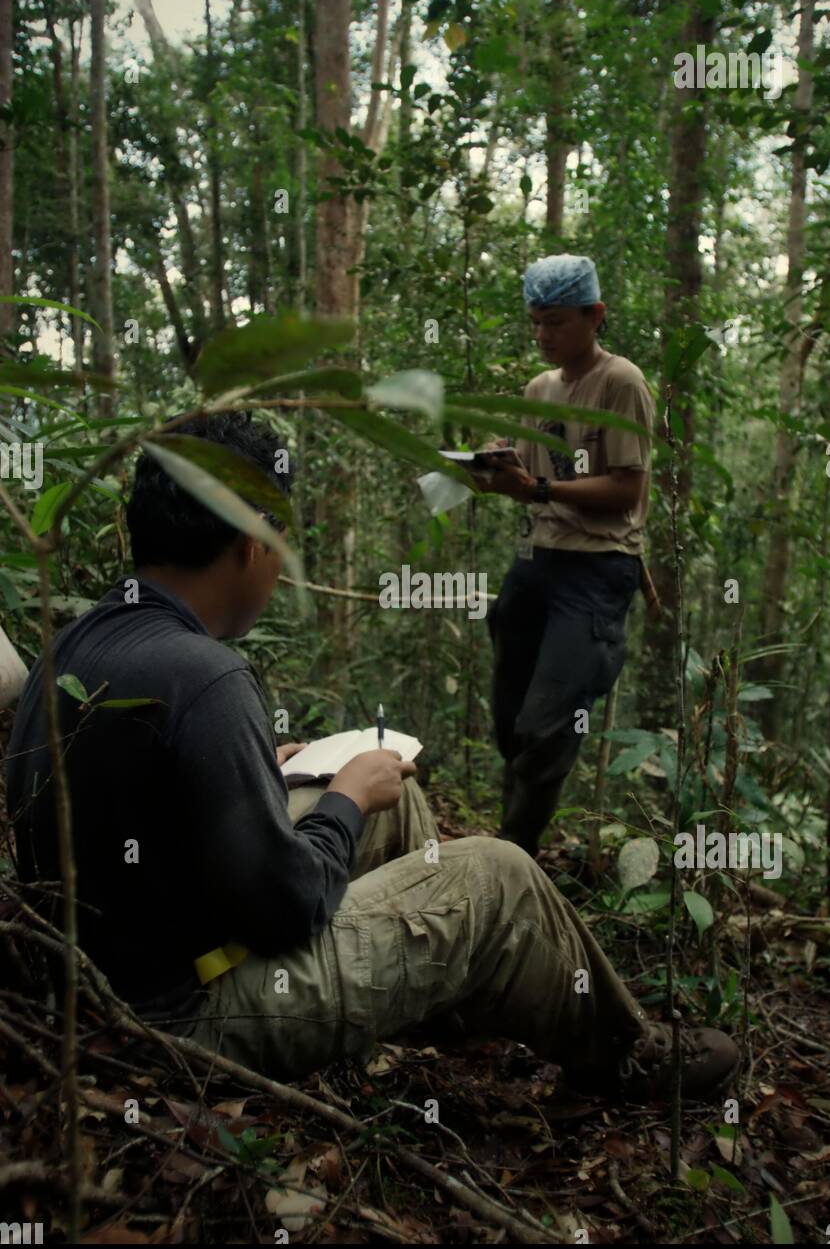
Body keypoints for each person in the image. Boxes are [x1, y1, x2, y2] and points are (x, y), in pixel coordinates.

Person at [4, 411, 737, 1102]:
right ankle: (626, 1054)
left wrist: (263, 762)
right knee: (501, 875)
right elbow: (287, 909)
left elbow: (143, 795)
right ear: (253, 542)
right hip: (188, 1020)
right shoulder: (206, 674)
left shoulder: (74, 642)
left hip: (105, 986)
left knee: (400, 802)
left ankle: (446, 998)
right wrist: (345, 797)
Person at [479, 253, 656, 858]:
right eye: (535, 323)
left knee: (548, 725)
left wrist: (540, 489)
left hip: (597, 568)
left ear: (595, 316)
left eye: (555, 322)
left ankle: (515, 854)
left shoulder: (621, 383)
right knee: (510, 719)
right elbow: (531, 474)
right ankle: (510, 839)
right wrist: (498, 467)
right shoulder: (540, 389)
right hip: (536, 562)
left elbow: (626, 488)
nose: (542, 335)